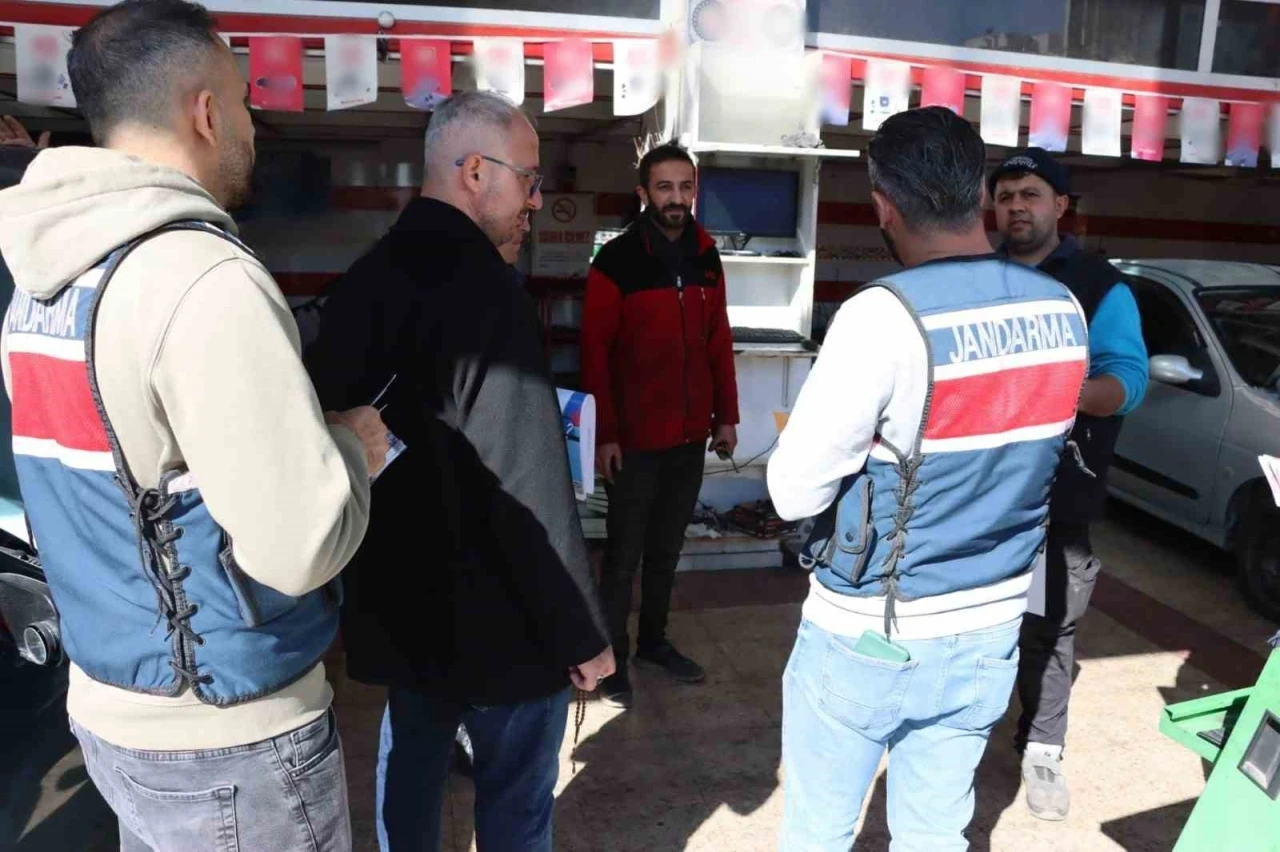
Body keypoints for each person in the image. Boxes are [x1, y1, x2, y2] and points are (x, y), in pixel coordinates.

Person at [0, 2, 387, 850]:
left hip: (111, 708)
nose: (249, 126)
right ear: (206, 113)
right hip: (230, 734)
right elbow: (301, 545)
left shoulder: (39, 280)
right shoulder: (202, 276)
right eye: (244, 102)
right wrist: (348, 452)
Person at [767, 107, 1089, 851]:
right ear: (980, 194)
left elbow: (793, 492)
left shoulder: (881, 316)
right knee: (936, 834)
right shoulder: (1064, 309)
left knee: (818, 834)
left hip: (873, 630)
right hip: (992, 625)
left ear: (884, 206)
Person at [305, 90, 614, 852]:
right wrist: (582, 632)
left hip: (404, 616)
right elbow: (528, 484)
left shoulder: (364, 280)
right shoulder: (486, 293)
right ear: (476, 172)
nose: (536, 202)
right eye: (530, 181)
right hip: (503, 629)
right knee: (514, 814)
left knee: (409, 793)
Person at [990, 147, 1149, 821]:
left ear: (1060, 205)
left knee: (1050, 624)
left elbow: (1128, 380)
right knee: (975, 622)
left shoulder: (1098, 285)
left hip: (1059, 492)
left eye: (1030, 194)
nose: (1016, 207)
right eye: (1005, 196)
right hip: (979, 490)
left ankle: (1042, 749)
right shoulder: (979, 275)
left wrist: (1061, 393)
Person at [580, 143, 739, 708]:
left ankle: (653, 643)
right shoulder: (616, 260)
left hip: (690, 437)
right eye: (665, 187)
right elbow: (595, 353)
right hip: (634, 442)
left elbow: (718, 340)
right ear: (643, 193)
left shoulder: (707, 256)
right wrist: (605, 434)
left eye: (685, 187)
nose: (676, 198)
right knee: (623, 555)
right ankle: (612, 657)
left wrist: (727, 417)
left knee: (667, 550)